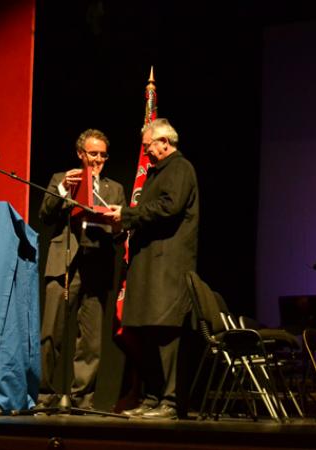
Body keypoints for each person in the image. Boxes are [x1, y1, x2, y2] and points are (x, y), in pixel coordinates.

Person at [105, 118, 199, 419]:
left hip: (166, 266)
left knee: (164, 332)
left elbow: (169, 207)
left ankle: (170, 401)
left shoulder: (180, 168)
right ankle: (152, 395)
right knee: (143, 331)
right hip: (148, 265)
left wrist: (128, 213)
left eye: (149, 147)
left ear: (165, 143)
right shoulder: (159, 172)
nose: (146, 153)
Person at [39, 128, 127, 408]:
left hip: (97, 266)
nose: (98, 160)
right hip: (65, 261)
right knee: (51, 332)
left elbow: (122, 232)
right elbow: (46, 214)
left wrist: (117, 225)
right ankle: (44, 395)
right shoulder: (62, 179)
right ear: (80, 154)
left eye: (102, 155)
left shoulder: (115, 189)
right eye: (93, 154)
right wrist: (65, 188)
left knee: (90, 342)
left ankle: (83, 400)